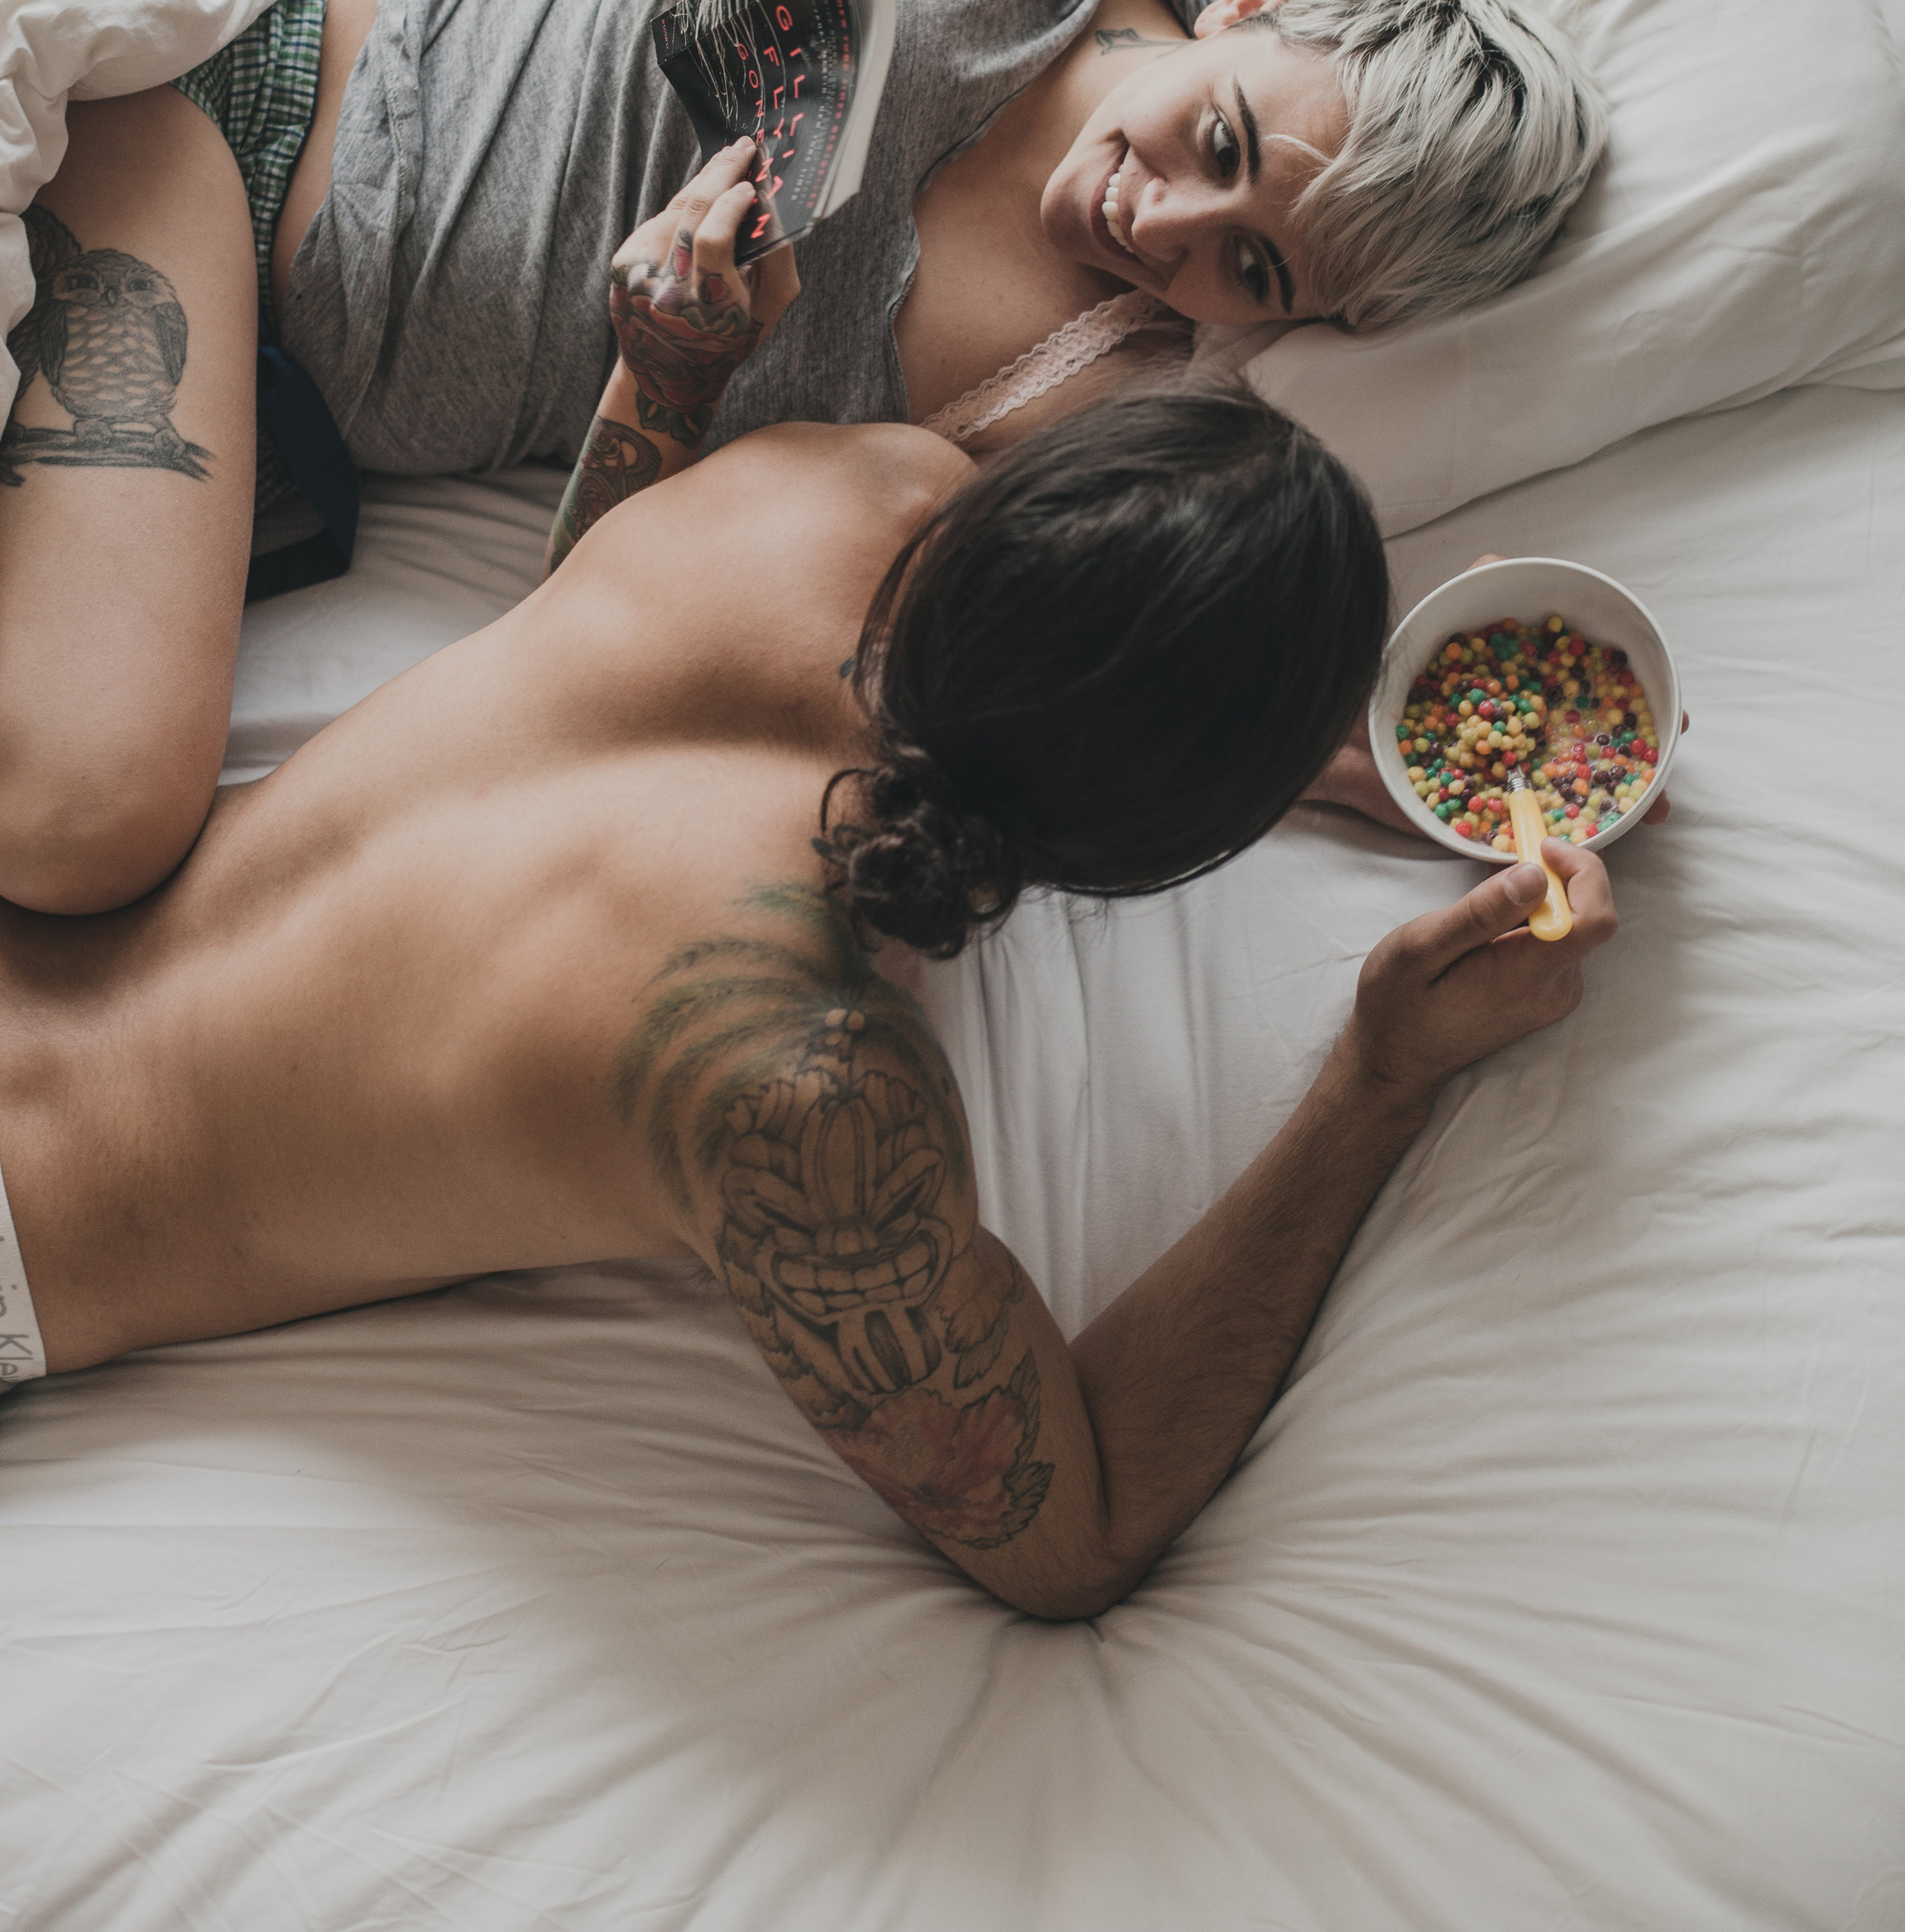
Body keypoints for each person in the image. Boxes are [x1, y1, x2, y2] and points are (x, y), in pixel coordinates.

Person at [0, 181, 1617, 1617]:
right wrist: (1377, 1073)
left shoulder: (813, 490)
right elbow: (1080, 1526)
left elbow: (582, 620)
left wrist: (665, 381)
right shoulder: (807, 1095)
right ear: (1141, 856)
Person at [0, 0, 1606, 913]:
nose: (1160, 222)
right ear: (1254, 8)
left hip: (245, 354)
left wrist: (1356, 751)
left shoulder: (1073, 408)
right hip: (226, 69)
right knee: (91, 811)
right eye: (1224, 141)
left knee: (80, 831)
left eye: (1248, 269)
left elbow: (619, 636)